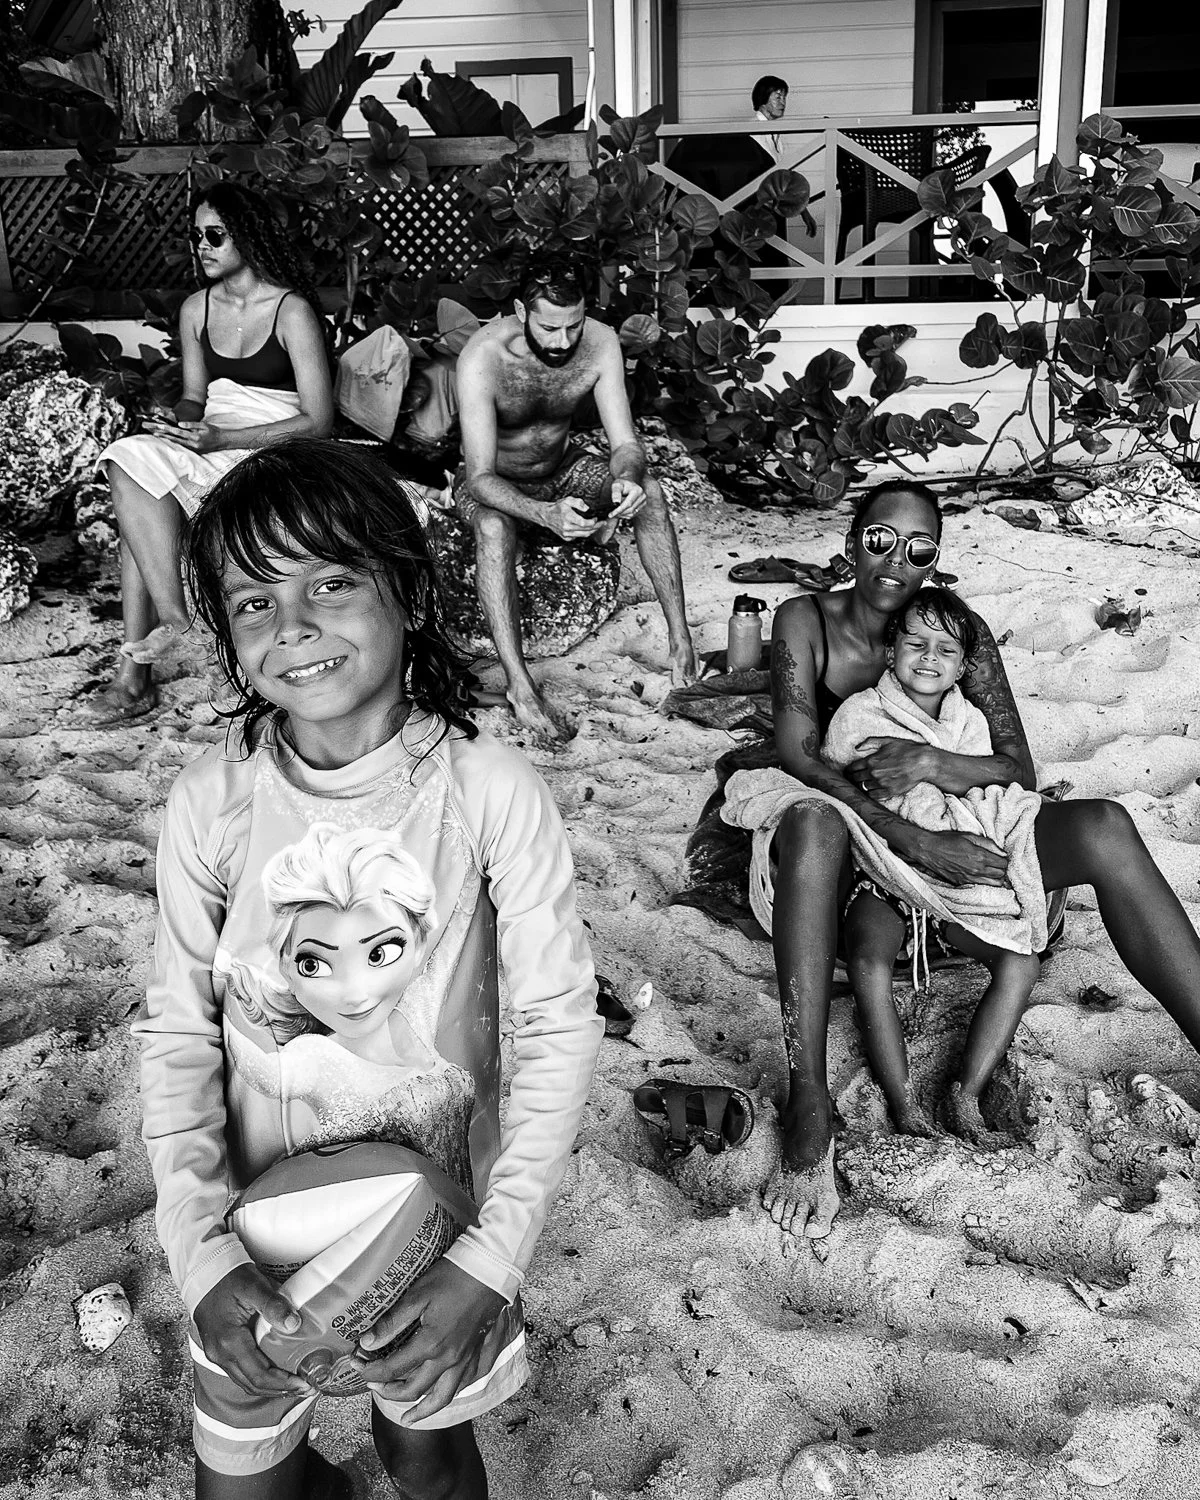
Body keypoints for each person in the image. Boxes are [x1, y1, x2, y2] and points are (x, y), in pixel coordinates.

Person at [135, 438, 601, 1499]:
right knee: (249, 1484)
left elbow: (560, 1030)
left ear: (407, 588)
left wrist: (490, 1263)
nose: (293, 625)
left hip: (434, 1235)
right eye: (252, 601)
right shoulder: (214, 805)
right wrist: (204, 1257)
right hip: (255, 1238)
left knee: (428, 1456)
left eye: (330, 583)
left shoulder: (488, 791)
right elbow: (177, 1038)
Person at [716, 478, 1200, 1243]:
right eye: (878, 538)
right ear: (851, 540)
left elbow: (1016, 764)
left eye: (918, 549)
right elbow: (801, 752)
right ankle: (809, 1095)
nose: (894, 559)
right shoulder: (805, 618)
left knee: (1106, 824)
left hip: (960, 831)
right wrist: (904, 833)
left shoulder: (956, 628)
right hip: (851, 845)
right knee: (812, 821)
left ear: (934, 561)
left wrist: (935, 765)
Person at [87, 182, 334, 726]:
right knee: (130, 460)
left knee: (142, 501)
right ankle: (176, 617)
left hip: (274, 442)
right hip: (214, 434)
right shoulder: (195, 307)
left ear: (246, 237)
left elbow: (319, 421)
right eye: (197, 235)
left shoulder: (290, 310)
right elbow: (197, 396)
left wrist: (221, 440)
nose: (203, 245)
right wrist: (182, 422)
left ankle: (135, 676)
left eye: (215, 235)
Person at [821, 586, 1044, 1146]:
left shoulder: (967, 722)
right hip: (886, 872)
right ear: (890, 650)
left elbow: (987, 790)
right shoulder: (860, 713)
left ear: (965, 667)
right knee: (869, 959)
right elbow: (849, 790)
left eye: (945, 650)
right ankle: (902, 1104)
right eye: (915, 643)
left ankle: (966, 1092)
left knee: (1022, 961)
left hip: (952, 872)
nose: (928, 657)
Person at [455, 259, 697, 740]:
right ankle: (520, 685)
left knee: (647, 492)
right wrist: (543, 514)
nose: (563, 342)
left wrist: (625, 478)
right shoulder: (482, 357)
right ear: (522, 310)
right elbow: (479, 477)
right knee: (492, 527)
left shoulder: (602, 342)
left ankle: (680, 639)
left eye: (574, 325)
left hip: (563, 468)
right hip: (498, 483)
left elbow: (625, 444)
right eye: (548, 327)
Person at [750, 75, 789, 161]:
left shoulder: (775, 133)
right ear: (763, 97)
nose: (783, 102)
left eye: (784, 97)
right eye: (778, 97)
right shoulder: (752, 133)